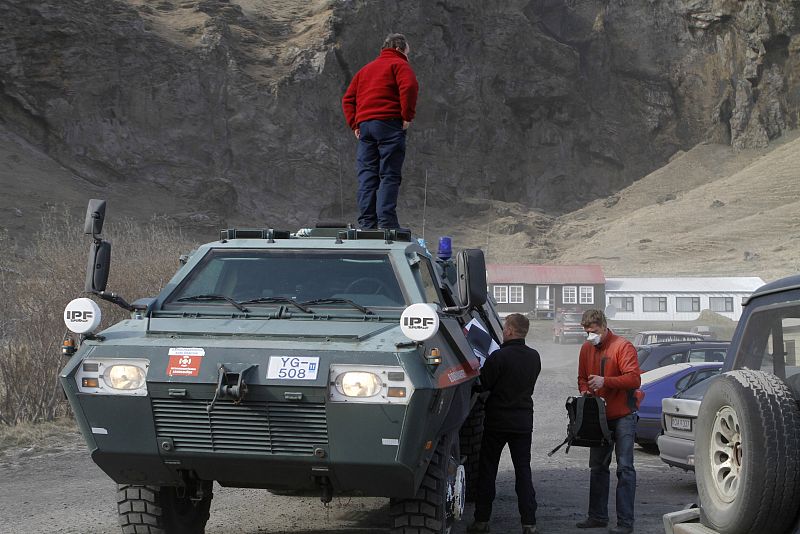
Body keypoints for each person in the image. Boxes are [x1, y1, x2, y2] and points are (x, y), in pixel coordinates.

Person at [468, 313, 542, 534]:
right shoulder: (534, 357)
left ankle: (482, 521)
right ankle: (529, 523)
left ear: (509, 330)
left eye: (504, 328)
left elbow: (482, 385)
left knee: (488, 470)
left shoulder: (498, 357)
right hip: (522, 423)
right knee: (523, 472)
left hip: (497, 423)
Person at [341, 33, 419, 230]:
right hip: (389, 124)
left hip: (366, 127)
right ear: (401, 49)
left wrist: (355, 124)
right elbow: (409, 86)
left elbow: (348, 99)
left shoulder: (365, 70)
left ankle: (367, 224)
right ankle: (387, 223)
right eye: (408, 51)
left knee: (367, 175)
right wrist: (406, 116)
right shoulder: (399, 64)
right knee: (389, 175)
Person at [576, 309, 641, 534]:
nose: (589, 335)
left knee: (625, 468)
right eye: (586, 331)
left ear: (604, 326)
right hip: (599, 418)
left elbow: (634, 379)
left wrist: (606, 381)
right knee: (598, 468)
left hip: (623, 415)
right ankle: (597, 516)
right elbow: (582, 378)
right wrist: (585, 391)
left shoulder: (623, 347)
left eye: (593, 331)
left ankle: (625, 523)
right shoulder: (586, 349)